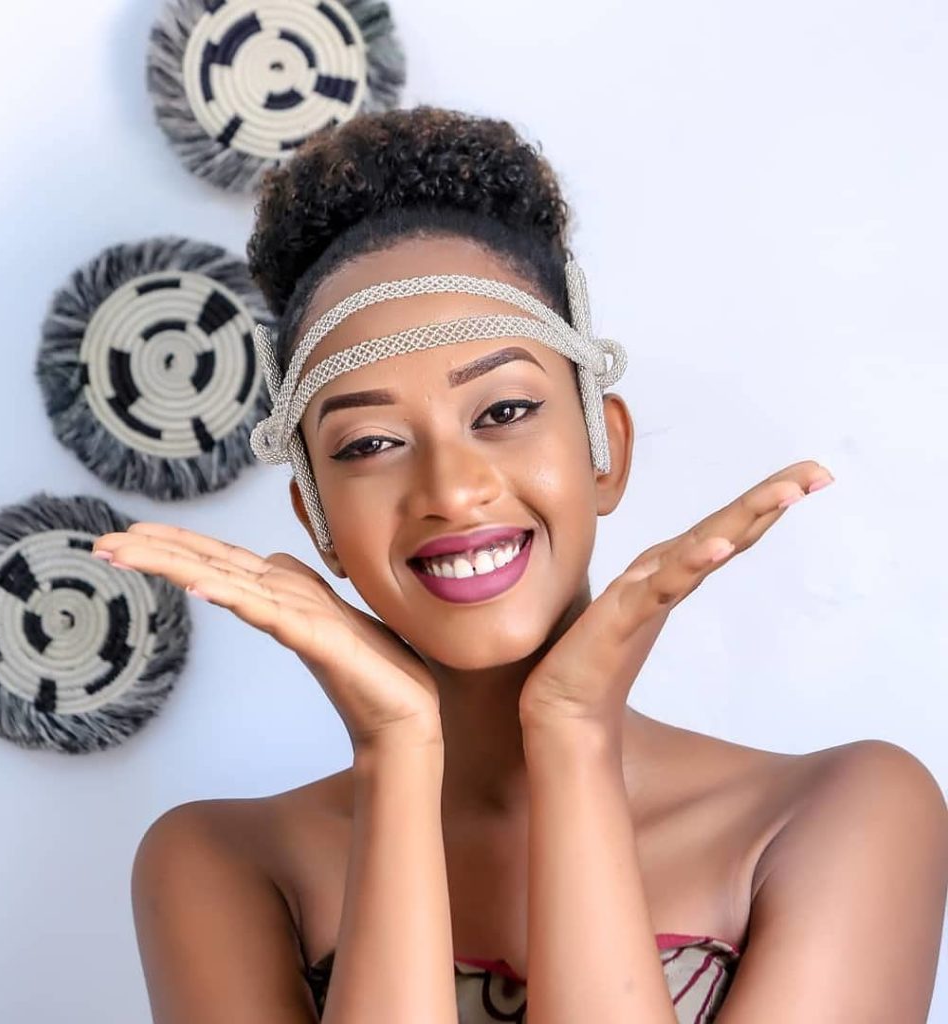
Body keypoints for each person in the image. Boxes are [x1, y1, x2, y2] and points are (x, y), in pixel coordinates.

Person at [92, 107, 947, 1023]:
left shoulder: (844, 816)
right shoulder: (221, 865)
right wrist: (394, 753)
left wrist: (575, 736)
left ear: (604, 449)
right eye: (371, 442)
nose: (453, 491)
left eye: (503, 412)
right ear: (318, 521)